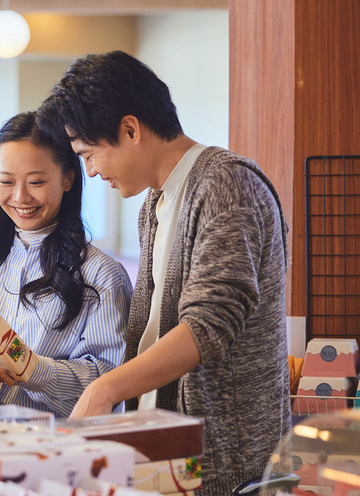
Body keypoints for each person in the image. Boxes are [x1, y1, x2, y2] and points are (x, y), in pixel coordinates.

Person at [37, 50, 290, 494]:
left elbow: (208, 326)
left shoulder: (227, 184)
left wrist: (105, 389)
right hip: (169, 451)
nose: (91, 171)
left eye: (90, 154)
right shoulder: (155, 203)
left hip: (225, 461)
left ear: (130, 129)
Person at [0, 111, 133, 419]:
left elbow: (110, 386)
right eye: (6, 181)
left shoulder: (102, 275)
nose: (20, 197)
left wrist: (35, 370)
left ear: (68, 179)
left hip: (54, 451)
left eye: (37, 181)